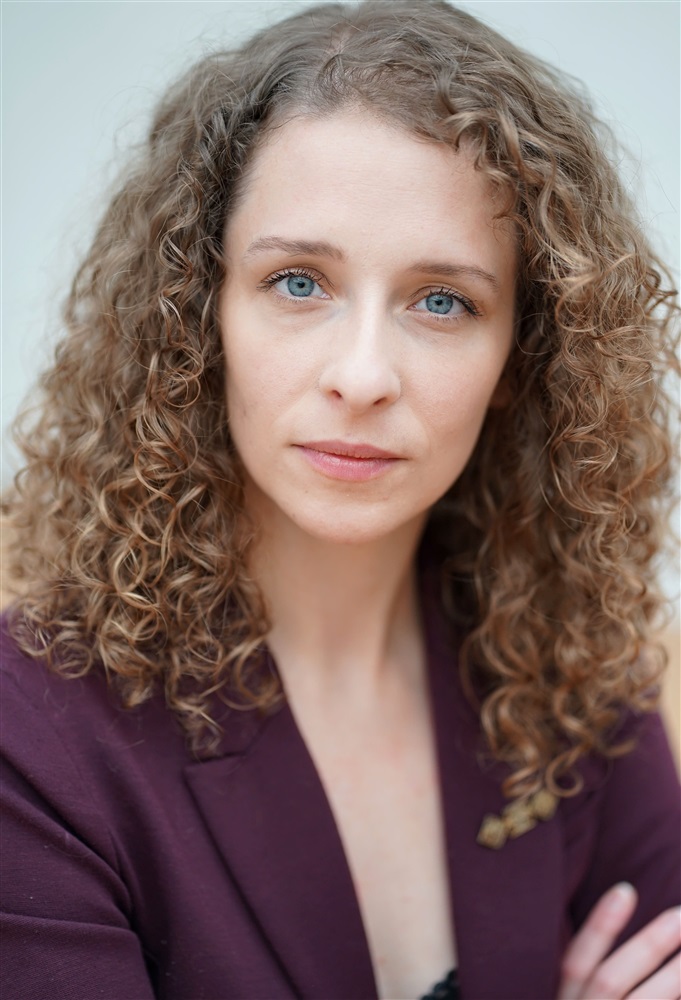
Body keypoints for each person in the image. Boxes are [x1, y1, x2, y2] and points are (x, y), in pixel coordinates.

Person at [1, 1, 679, 997]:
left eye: (442, 300)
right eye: (297, 282)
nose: (362, 377)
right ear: (198, 313)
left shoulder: (574, 678)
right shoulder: (30, 735)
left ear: (523, 356)